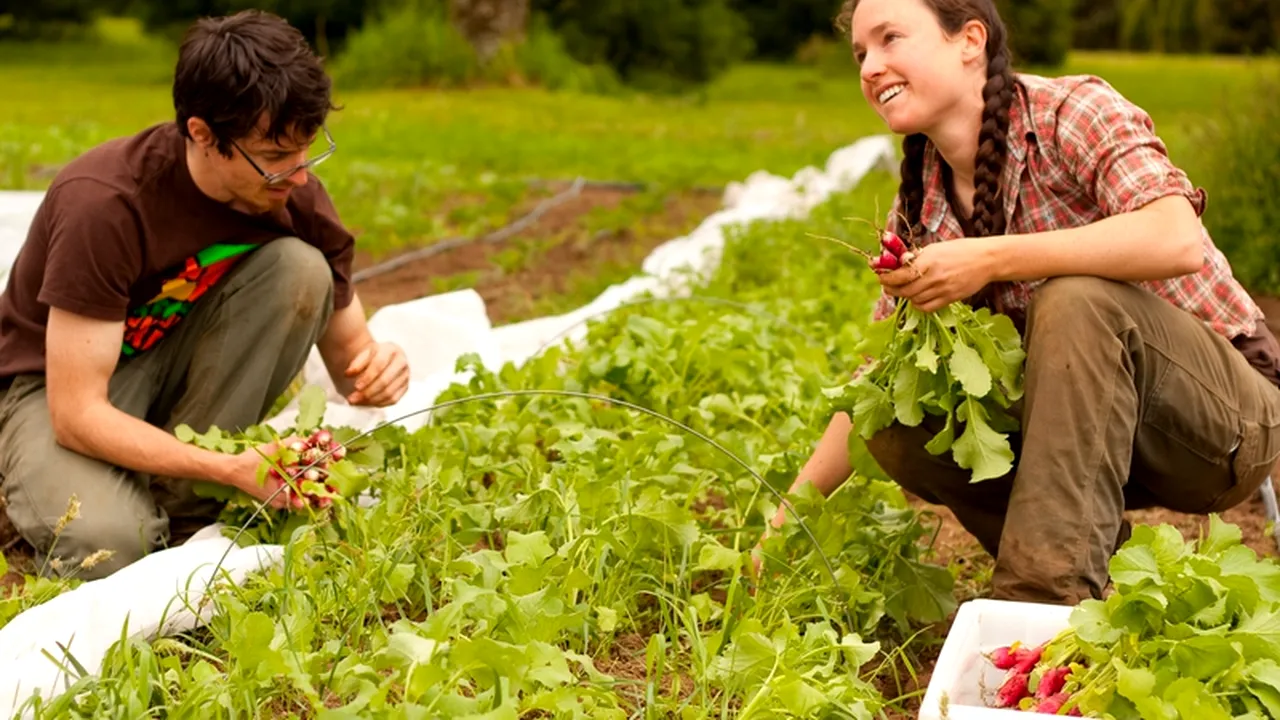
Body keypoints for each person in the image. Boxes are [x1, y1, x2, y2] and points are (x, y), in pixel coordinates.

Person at [757, 0, 1280, 605]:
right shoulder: (923, 197)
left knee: (1077, 297)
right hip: (1087, 440)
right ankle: (1099, 581)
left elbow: (1175, 237)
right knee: (895, 417)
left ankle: (1041, 607)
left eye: (890, 38)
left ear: (969, 40)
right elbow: (875, 380)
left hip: (1221, 424)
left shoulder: (1070, 112)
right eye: (860, 53)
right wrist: (782, 528)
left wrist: (991, 257)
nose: (871, 66)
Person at [0, 10, 411, 581]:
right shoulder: (104, 203)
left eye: (307, 149)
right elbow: (75, 413)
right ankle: (34, 485)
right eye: (273, 158)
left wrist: (383, 369)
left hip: (164, 364)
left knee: (301, 268)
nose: (298, 175)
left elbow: (354, 370)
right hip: (51, 387)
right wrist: (228, 467)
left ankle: (183, 501)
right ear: (201, 133)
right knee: (113, 544)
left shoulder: (296, 196)